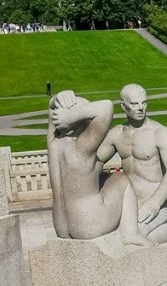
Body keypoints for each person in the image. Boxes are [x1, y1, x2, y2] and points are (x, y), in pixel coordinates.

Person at [46, 90, 150, 245]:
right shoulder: (82, 146)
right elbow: (106, 107)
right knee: (121, 179)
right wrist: (72, 115)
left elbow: (51, 110)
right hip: (89, 224)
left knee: (103, 177)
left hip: (61, 226)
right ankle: (131, 233)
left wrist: (56, 100)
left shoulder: (54, 142)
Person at [96, 84, 167, 243]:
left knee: (133, 236)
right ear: (123, 106)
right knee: (106, 234)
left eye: (144, 103)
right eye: (135, 104)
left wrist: (154, 203)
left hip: (159, 203)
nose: (141, 108)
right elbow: (94, 163)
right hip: (129, 204)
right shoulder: (117, 134)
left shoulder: (160, 133)